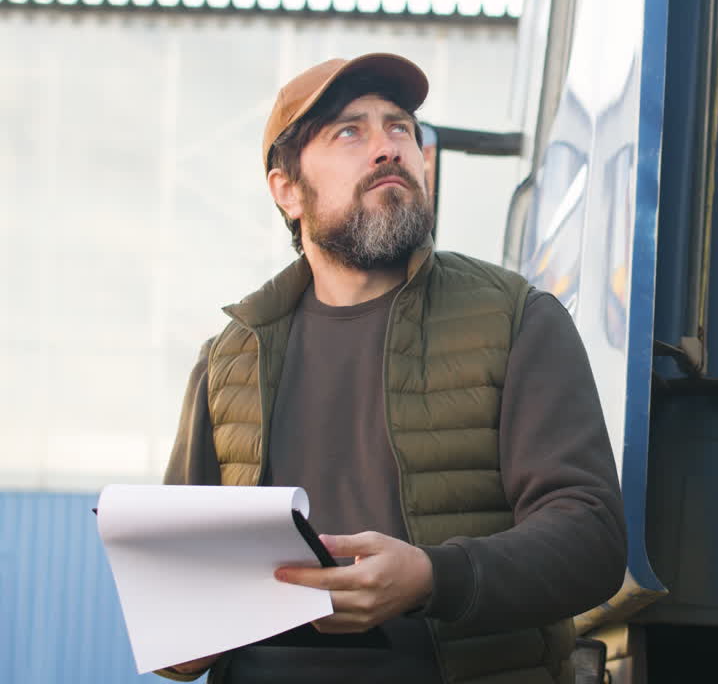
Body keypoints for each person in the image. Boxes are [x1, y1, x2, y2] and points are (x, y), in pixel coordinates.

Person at [159, 53, 627, 684]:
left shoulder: (517, 319)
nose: (388, 147)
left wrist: (433, 578)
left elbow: (590, 541)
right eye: (350, 131)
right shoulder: (229, 360)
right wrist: (179, 635)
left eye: (401, 127)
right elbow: (173, 588)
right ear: (287, 191)